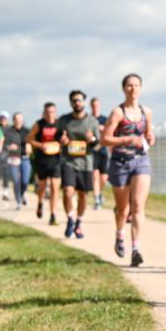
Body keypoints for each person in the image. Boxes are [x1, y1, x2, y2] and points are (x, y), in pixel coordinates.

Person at [102, 74, 155, 266]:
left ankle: (136, 249)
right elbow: (104, 139)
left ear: (141, 88)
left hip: (141, 160)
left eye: (136, 85)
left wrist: (150, 138)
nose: (133, 89)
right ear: (124, 89)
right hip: (120, 162)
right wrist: (126, 140)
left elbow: (148, 133)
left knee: (138, 206)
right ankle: (119, 234)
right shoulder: (117, 113)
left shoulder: (146, 111)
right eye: (129, 85)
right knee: (123, 209)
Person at [57, 90, 100, 238]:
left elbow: (97, 144)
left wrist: (92, 139)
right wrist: (62, 140)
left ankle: (79, 222)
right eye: (74, 100)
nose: (77, 103)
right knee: (68, 192)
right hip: (68, 161)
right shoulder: (64, 120)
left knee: (83, 195)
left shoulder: (92, 122)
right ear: (70, 103)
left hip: (85, 163)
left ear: (84, 102)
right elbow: (58, 137)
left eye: (80, 100)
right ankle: (70, 218)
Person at [27, 102, 62, 225]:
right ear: (44, 112)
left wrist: (63, 142)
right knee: (42, 186)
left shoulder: (60, 124)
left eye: (52, 112)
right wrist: (41, 145)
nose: (50, 114)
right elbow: (29, 139)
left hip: (56, 159)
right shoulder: (39, 124)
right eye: (47, 112)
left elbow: (65, 139)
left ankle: (53, 214)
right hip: (42, 160)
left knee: (54, 187)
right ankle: (40, 203)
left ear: (55, 112)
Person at [3, 112, 31, 210]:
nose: (19, 121)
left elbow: (29, 146)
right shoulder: (9, 132)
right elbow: (4, 145)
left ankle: (22, 194)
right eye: (17, 119)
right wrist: (9, 147)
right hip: (13, 159)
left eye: (20, 119)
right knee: (16, 181)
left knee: (25, 181)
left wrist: (27, 147)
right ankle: (18, 201)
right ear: (13, 120)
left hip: (24, 159)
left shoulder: (27, 131)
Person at [90, 97, 110, 210]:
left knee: (104, 178)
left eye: (97, 105)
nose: (95, 107)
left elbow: (110, 131)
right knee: (95, 176)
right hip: (92, 151)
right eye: (93, 105)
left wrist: (103, 128)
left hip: (103, 150)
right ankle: (97, 199)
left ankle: (99, 193)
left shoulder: (104, 119)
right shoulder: (88, 119)